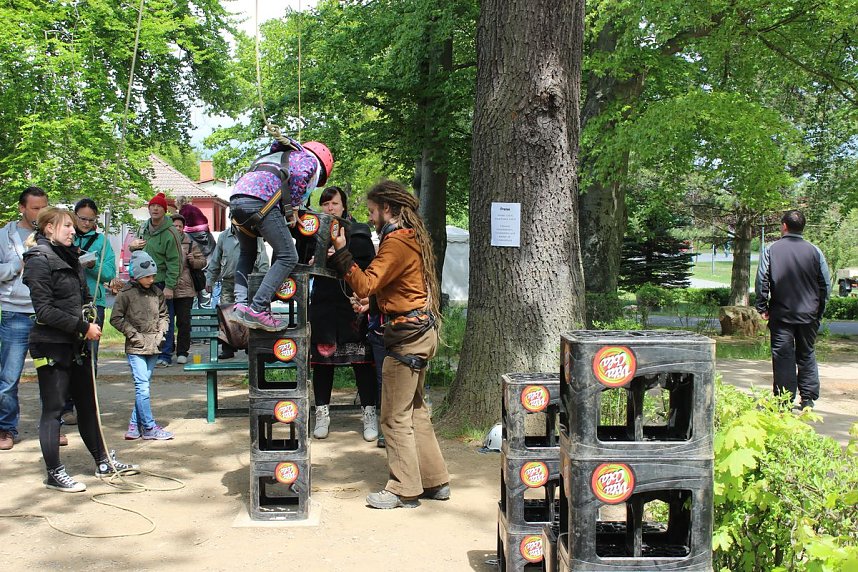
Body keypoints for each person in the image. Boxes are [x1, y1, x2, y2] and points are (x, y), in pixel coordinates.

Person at [329, 180, 449, 510]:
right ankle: (435, 480)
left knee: (393, 418)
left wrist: (341, 251)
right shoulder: (411, 237)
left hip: (406, 339)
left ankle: (404, 488)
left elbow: (366, 283)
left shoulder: (396, 241)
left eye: (372, 212)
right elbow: (404, 289)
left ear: (388, 209)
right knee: (415, 412)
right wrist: (376, 305)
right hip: (420, 331)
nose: (370, 217)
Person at [23, 207, 137, 492]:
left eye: (73, 227)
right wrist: (82, 326)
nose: (73, 231)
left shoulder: (70, 255)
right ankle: (54, 473)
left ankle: (102, 460)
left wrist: (89, 317)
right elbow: (45, 310)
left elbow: (84, 296)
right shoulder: (38, 259)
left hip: (77, 343)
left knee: (88, 404)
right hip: (51, 344)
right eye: (67, 227)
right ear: (49, 228)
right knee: (54, 409)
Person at [229, 138, 333, 331]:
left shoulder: (273, 157)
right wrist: (293, 207)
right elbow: (302, 175)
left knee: (247, 253)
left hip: (237, 200)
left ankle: (240, 305)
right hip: (262, 201)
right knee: (288, 256)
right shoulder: (308, 159)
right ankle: (258, 308)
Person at [309, 186, 377, 442]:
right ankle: (322, 413)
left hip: (352, 303)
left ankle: (369, 414)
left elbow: (371, 266)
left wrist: (342, 254)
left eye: (334, 203)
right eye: (325, 204)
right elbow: (303, 261)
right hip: (324, 304)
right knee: (322, 364)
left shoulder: (359, 230)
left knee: (362, 362)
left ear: (344, 205)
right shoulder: (313, 232)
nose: (330, 208)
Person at [755, 210, 831, 410]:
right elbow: (825, 284)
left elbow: (762, 279)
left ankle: (784, 399)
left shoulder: (771, 250)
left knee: (783, 355)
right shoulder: (815, 251)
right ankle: (808, 398)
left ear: (784, 226)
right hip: (809, 314)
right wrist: (819, 310)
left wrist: (762, 306)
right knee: (807, 353)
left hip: (781, 314)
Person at [0, 186, 48, 450]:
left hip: (45, 313)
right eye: (35, 208)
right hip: (14, 312)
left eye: (44, 207)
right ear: (22, 208)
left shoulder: (50, 235)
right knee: (9, 376)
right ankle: (6, 428)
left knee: (50, 375)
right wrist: (17, 266)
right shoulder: (4, 236)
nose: (40, 213)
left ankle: (51, 426)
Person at [110, 250, 174, 440]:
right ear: (137, 275)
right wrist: (133, 335)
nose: (151, 279)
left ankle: (133, 425)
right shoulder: (126, 294)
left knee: (143, 386)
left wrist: (162, 332)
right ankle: (148, 427)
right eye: (147, 276)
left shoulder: (157, 293)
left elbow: (164, 315)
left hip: (154, 345)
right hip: (136, 347)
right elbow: (116, 318)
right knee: (142, 386)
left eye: (153, 276)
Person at [129, 192, 182, 367]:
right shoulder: (143, 228)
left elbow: (175, 261)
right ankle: (145, 351)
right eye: (152, 206)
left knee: (164, 319)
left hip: (160, 282)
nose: (155, 208)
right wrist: (132, 246)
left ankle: (165, 355)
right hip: (141, 282)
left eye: (159, 206)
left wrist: (170, 286)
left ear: (164, 210)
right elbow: (134, 250)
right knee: (141, 318)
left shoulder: (170, 232)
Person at [206, 224, 269, 360]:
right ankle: (227, 348)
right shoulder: (223, 237)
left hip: (250, 281)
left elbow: (263, 260)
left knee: (249, 314)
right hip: (229, 282)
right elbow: (216, 259)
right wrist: (209, 280)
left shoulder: (255, 235)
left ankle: (250, 346)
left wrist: (262, 281)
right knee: (225, 316)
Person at [73, 198, 116, 373]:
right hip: (68, 301)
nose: (86, 223)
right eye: (83, 218)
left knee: (91, 353)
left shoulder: (101, 241)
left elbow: (109, 273)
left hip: (93, 303)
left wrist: (93, 264)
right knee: (69, 352)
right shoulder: (67, 236)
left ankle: (90, 397)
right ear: (75, 216)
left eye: (91, 220)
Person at [170, 214, 207, 364]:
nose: (177, 228)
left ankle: (182, 351)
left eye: (180, 226)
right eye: (174, 226)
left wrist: (193, 260)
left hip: (186, 289)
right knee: (167, 322)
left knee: (184, 322)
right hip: (168, 287)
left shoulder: (190, 242)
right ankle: (167, 350)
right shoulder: (166, 241)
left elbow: (202, 261)